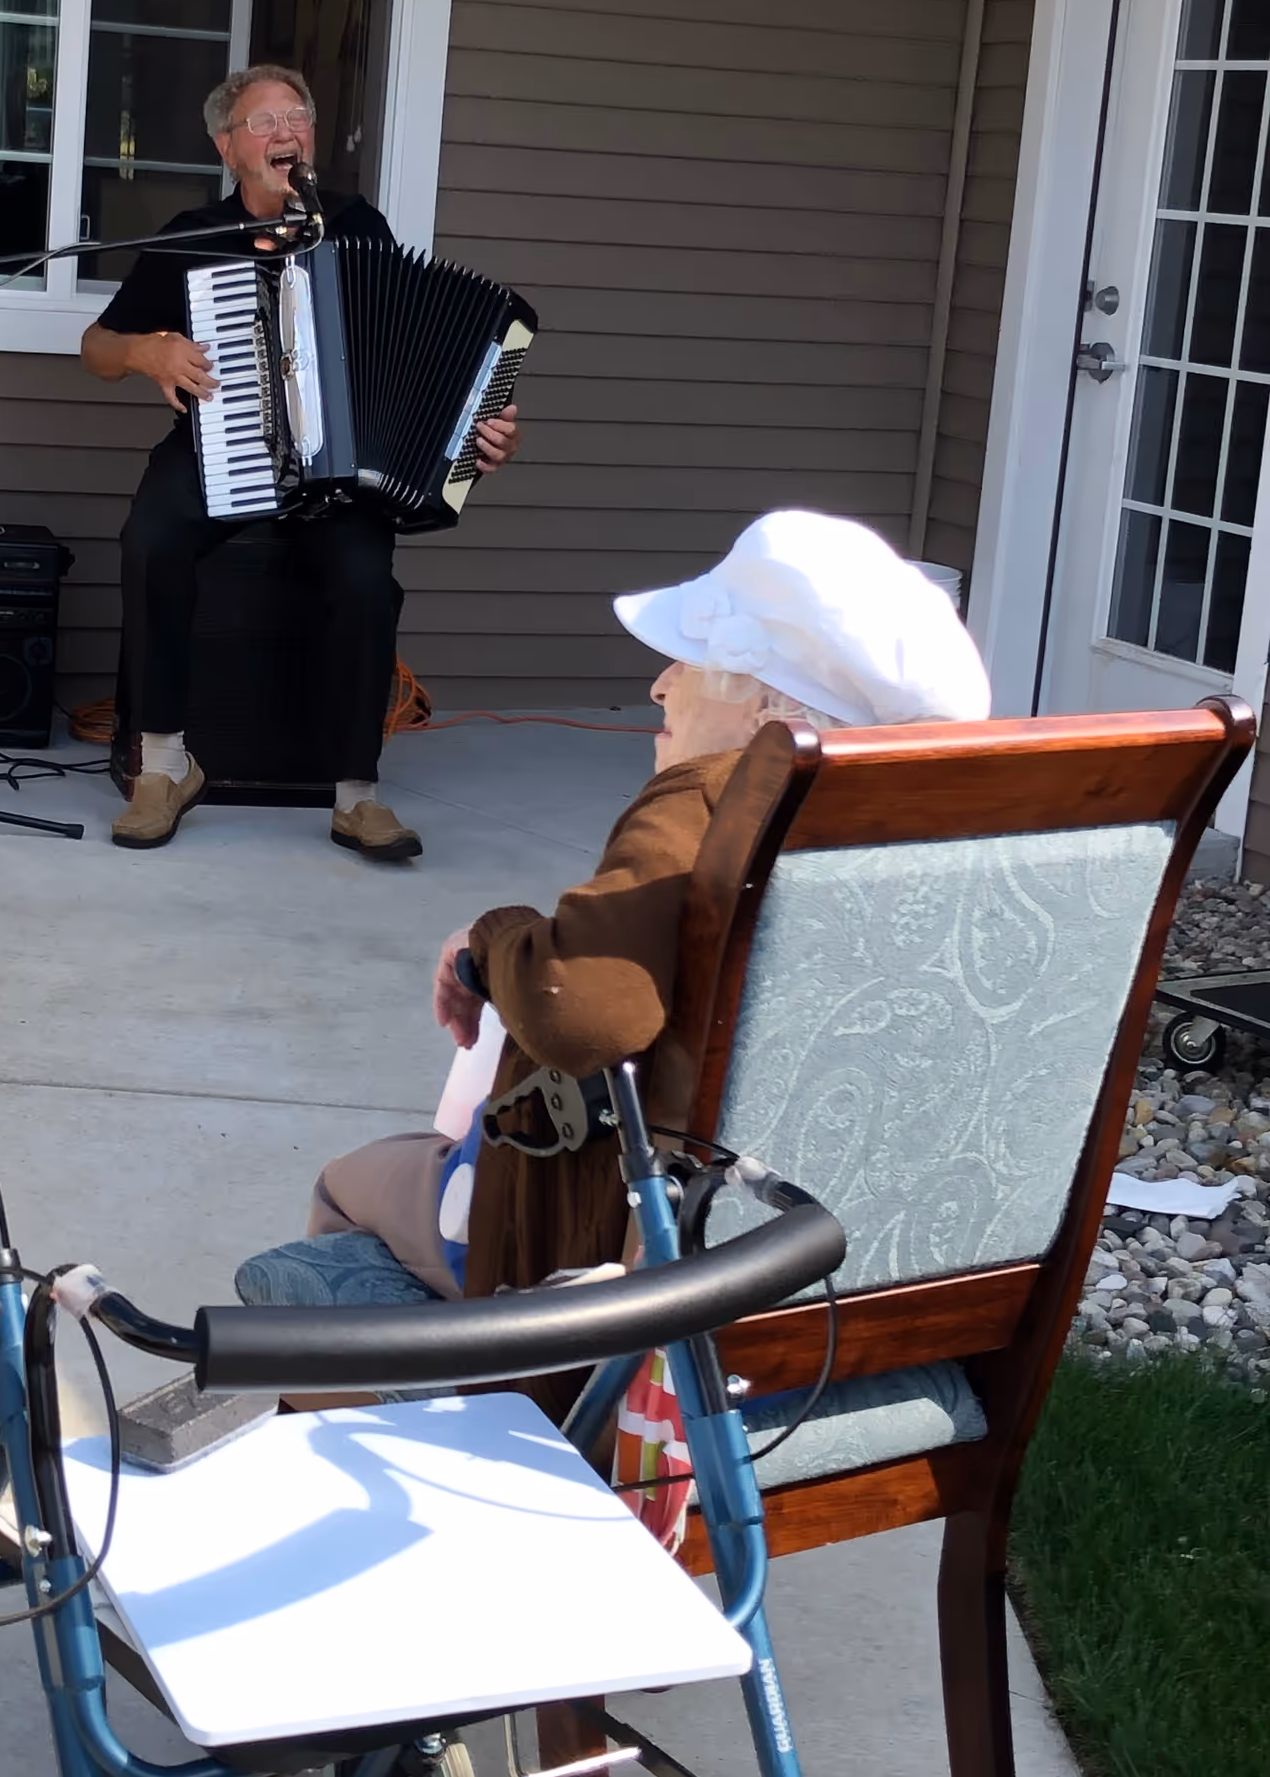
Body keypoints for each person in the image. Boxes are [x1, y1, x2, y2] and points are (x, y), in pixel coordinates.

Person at [235, 509, 993, 1320]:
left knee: (350, 1184)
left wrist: (487, 943)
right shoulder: (918, 836)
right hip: (807, 1247)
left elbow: (583, 1010)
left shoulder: (708, 799)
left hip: (616, 1246)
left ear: (768, 709)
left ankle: (457, 1403)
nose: (659, 684)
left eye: (689, 661)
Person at [79, 64, 520, 859]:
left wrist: (476, 428)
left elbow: (419, 358)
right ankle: (165, 766)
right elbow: (97, 348)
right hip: (223, 445)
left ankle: (356, 794)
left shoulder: (358, 227)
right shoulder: (192, 235)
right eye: (264, 122)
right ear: (227, 147)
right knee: (152, 540)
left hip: (341, 470)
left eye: (299, 117)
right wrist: (148, 350)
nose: (286, 132)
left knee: (363, 578)